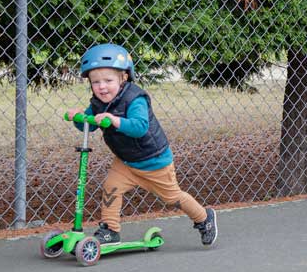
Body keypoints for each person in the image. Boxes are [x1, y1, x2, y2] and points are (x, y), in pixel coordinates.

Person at [67, 43, 218, 246]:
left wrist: (114, 120)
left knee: (172, 198)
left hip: (154, 161)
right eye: (96, 82)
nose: (102, 87)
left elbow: (139, 127)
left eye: (108, 80)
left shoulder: (135, 99)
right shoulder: (98, 102)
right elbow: (89, 125)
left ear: (124, 77)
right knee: (111, 187)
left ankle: (203, 217)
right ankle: (110, 230)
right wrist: (78, 117)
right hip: (126, 162)